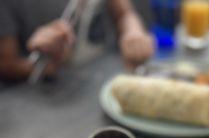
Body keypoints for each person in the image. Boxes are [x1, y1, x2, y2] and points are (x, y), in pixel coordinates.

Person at [0, 0, 155, 81]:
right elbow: (6, 63)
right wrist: (46, 65)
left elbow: (124, 13)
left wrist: (133, 32)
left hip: (102, 76)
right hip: (46, 96)